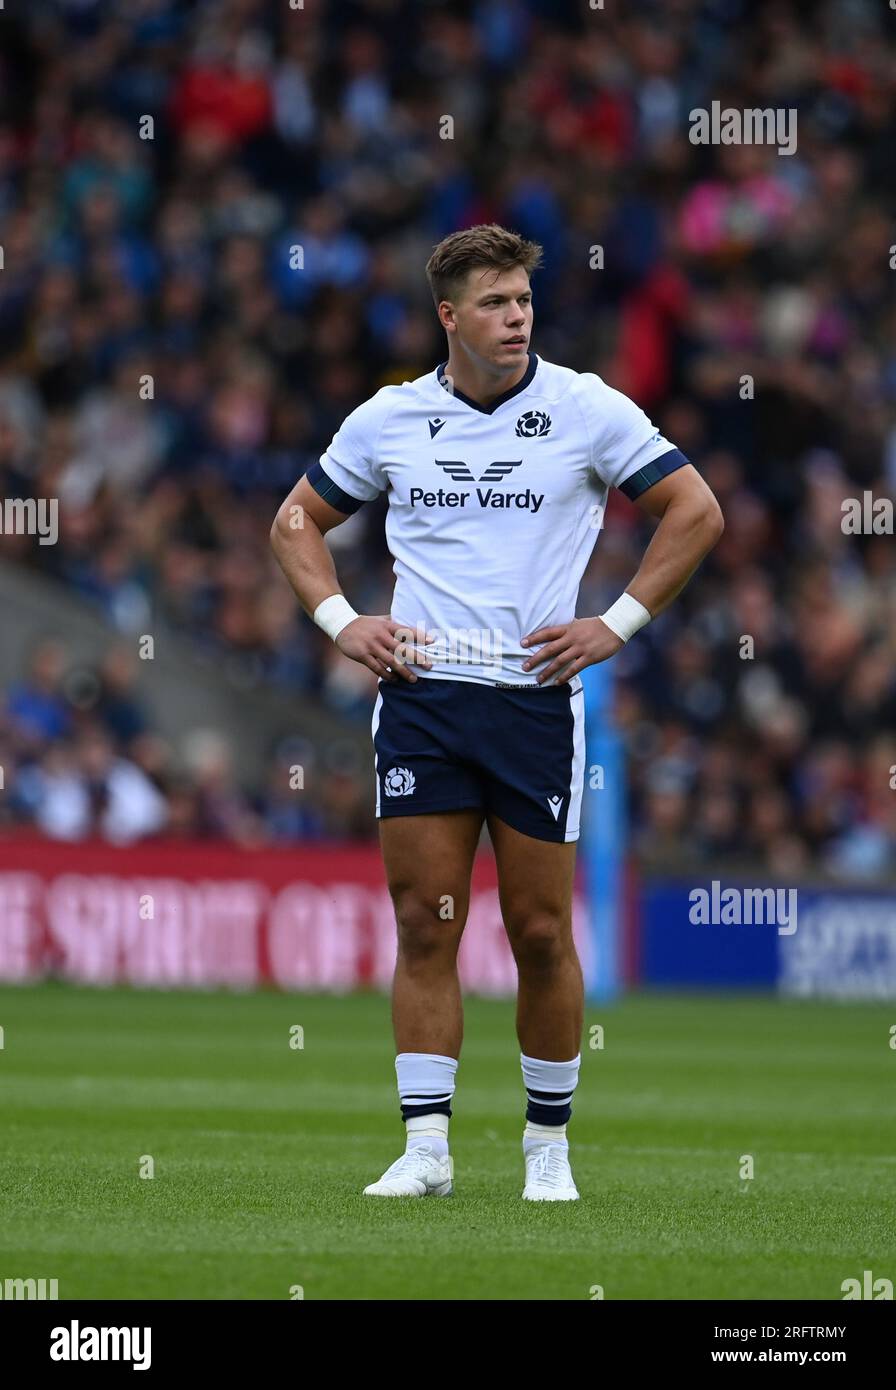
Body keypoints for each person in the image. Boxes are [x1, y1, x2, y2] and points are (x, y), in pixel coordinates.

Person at [270, 224, 723, 1200]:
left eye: (521, 300)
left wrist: (617, 623)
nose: (515, 318)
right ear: (448, 317)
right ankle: (425, 1151)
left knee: (540, 933)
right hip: (424, 697)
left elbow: (695, 509)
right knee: (424, 924)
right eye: (493, 303)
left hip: (531, 703)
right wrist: (342, 619)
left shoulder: (585, 409)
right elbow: (294, 520)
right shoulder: (389, 419)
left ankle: (546, 1152)